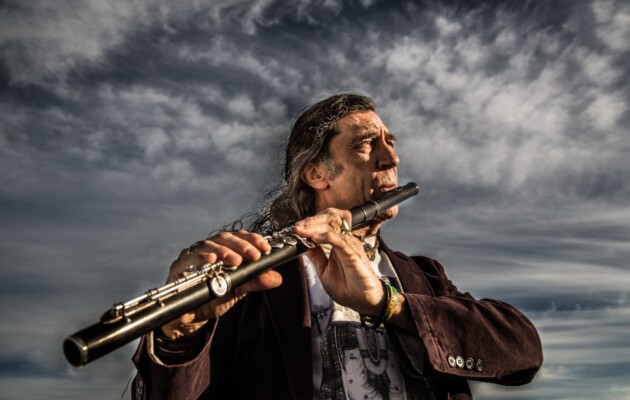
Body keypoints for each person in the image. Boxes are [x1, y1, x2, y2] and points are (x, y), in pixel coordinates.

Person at [131, 93, 543, 399]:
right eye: (366, 144)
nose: (390, 159)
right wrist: (178, 334)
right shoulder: (253, 277)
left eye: (391, 142)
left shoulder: (423, 275)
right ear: (317, 173)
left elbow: (522, 352)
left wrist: (390, 304)